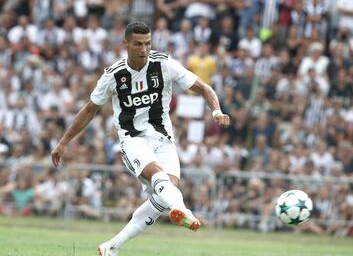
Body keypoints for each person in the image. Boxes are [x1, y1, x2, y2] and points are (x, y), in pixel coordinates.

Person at [51, 21, 230, 256]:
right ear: (126, 44)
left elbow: (204, 88)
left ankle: (111, 246)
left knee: (165, 192)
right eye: (137, 44)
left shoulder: (163, 64)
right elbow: (89, 109)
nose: (143, 49)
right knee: (160, 179)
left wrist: (216, 111)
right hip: (132, 139)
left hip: (164, 139)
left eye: (147, 43)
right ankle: (183, 209)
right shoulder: (114, 75)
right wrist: (64, 142)